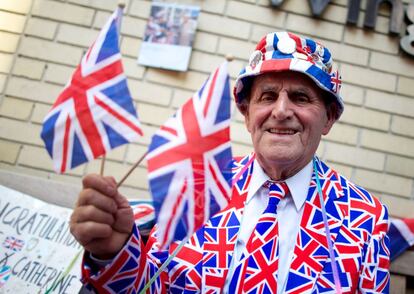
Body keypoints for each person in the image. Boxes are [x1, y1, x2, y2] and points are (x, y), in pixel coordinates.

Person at [70, 31, 390, 293]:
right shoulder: (199, 182)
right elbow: (149, 288)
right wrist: (113, 254)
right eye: (267, 96)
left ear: (329, 118)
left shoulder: (365, 218)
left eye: (301, 97)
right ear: (247, 113)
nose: (280, 111)